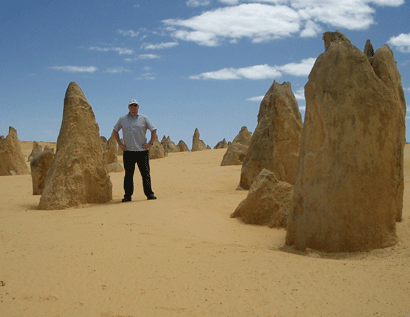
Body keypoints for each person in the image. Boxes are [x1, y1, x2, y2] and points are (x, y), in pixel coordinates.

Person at [113, 99, 157, 202]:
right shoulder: (123, 119)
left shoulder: (144, 118)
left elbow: (154, 129)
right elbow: (115, 130)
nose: (133, 107)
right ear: (128, 107)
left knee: (145, 174)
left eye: (135, 106)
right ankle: (127, 196)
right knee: (128, 175)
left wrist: (150, 143)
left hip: (142, 152)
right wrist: (119, 144)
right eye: (131, 106)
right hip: (128, 152)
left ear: (138, 107)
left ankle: (149, 194)